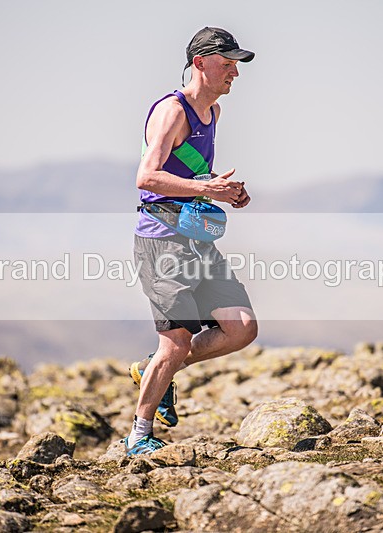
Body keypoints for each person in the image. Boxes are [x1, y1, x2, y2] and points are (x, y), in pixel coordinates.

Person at [124, 27, 258, 456]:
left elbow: (192, 178)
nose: (234, 72)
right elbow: (146, 178)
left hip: (196, 238)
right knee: (176, 342)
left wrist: (225, 190)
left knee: (241, 328)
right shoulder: (173, 111)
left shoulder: (213, 112)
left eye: (237, 64)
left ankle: (151, 369)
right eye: (227, 63)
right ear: (200, 63)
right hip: (162, 242)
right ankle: (139, 436)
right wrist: (206, 190)